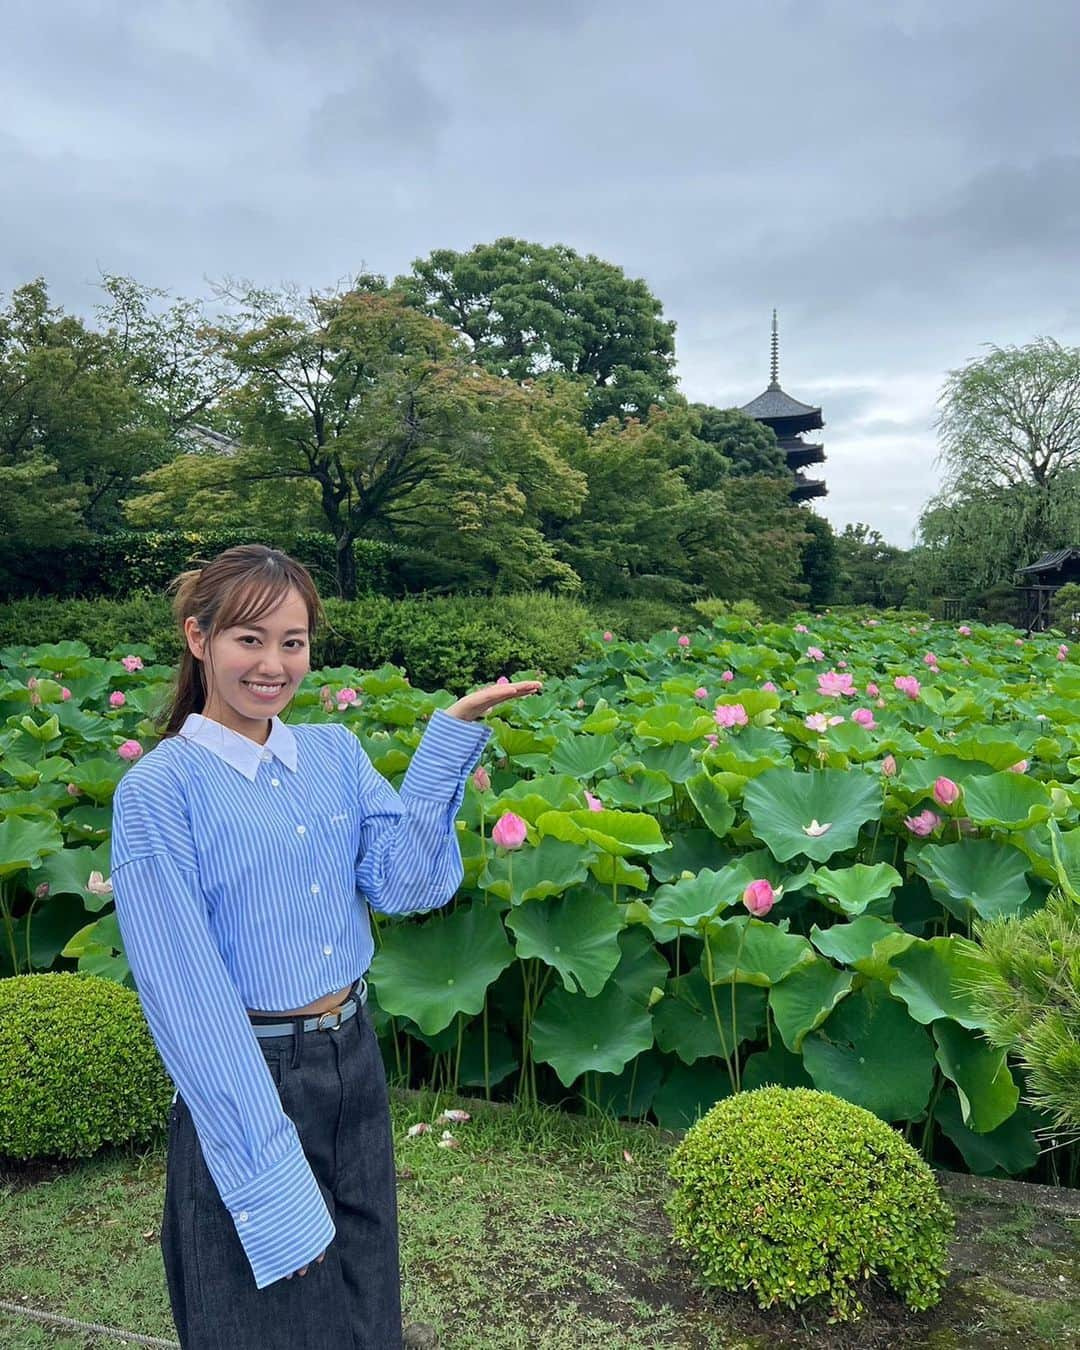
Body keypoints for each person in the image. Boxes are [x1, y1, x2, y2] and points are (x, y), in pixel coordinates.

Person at [109, 544, 540, 1349]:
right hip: (248, 1071)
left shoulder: (335, 757)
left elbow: (406, 885)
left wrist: (446, 740)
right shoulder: (159, 793)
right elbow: (188, 1003)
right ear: (198, 638)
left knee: (365, 1297)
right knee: (263, 1312)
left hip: (351, 1054)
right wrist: (268, 1175)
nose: (273, 664)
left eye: (293, 642)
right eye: (249, 639)